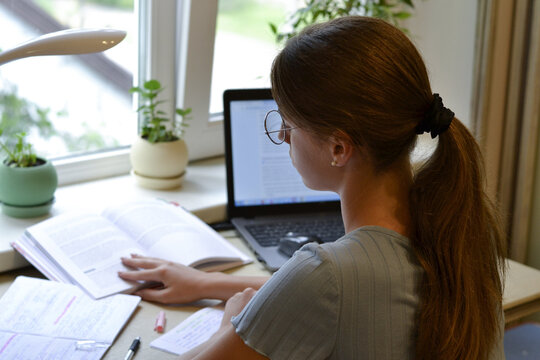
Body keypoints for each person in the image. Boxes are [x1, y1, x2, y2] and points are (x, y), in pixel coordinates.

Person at [118, 16, 507, 359]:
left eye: (287, 123)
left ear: (339, 148)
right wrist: (208, 283)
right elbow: (339, 294)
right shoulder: (460, 231)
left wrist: (230, 326)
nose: (284, 136)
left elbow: (323, 290)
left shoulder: (325, 275)